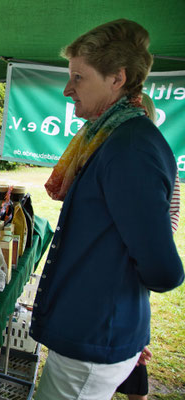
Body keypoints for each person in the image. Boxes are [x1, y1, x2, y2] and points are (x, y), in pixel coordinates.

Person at [33, 19, 184, 399]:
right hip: (88, 327)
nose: (68, 89)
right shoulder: (111, 135)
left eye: (79, 78)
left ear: (117, 79)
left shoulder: (129, 148)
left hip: (95, 333)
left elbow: (164, 270)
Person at [114, 93, 181, 400]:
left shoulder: (149, 157)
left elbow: (164, 230)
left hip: (129, 273)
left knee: (131, 349)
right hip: (118, 274)